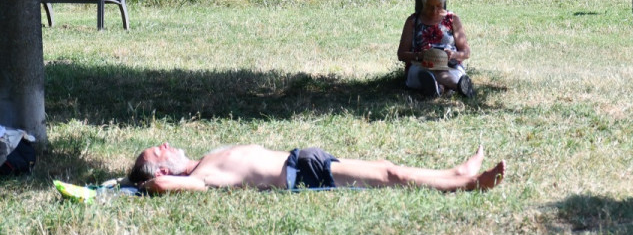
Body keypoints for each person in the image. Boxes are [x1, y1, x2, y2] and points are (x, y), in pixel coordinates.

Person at [127, 142, 506, 193]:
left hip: (303, 160)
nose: (163, 146)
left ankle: (457, 173)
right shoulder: (199, 177)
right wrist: (129, 188)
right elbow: (161, 189)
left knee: (385, 167)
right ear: (162, 172)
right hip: (304, 175)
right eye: (156, 154)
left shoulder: (203, 159)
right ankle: (467, 183)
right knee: (390, 176)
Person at [397, 0, 475, 98]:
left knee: (444, 73)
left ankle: (438, 89)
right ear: (423, 3)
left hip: (450, 66)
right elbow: (401, 54)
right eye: (429, 6)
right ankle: (457, 87)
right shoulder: (413, 21)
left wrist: (453, 55)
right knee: (427, 73)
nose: (434, 11)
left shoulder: (452, 19)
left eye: (438, 6)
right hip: (421, 66)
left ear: (443, 3)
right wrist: (419, 55)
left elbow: (466, 52)